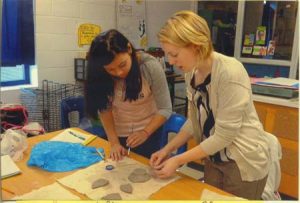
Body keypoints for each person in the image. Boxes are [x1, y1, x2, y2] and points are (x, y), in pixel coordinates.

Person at [149, 10, 271, 200]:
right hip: (214, 157)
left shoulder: (230, 73)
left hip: (242, 162)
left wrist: (178, 159)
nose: (171, 62)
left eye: (174, 54)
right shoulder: (192, 72)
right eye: (167, 55)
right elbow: (194, 121)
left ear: (196, 46)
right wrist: (167, 149)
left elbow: (224, 135)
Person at [85, 29, 172, 161]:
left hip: (149, 132)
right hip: (117, 132)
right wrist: (114, 142)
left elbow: (165, 109)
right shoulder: (99, 73)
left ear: (129, 49)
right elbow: (104, 107)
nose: (119, 73)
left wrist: (145, 132)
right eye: (111, 70)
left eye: (122, 65)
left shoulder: (149, 67)